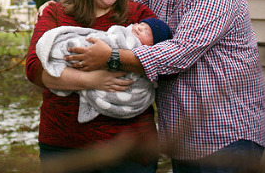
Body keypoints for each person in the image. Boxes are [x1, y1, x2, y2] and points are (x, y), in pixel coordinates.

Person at [66, 0, 265, 173]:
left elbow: (180, 53)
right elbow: (119, 5)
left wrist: (111, 57)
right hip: (184, 137)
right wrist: (63, 7)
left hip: (225, 135)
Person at [25, 0, 162, 173]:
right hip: (65, 147)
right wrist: (93, 81)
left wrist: (110, 56)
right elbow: (35, 69)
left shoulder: (138, 16)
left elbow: (161, 60)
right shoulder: (56, 13)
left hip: (129, 150)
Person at [36, 18, 171, 123]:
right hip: (64, 138)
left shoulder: (136, 11)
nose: (139, 28)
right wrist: (90, 80)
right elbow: (33, 70)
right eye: (139, 24)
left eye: (147, 31)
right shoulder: (54, 11)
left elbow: (161, 62)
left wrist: (113, 57)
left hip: (129, 144)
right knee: (75, 49)